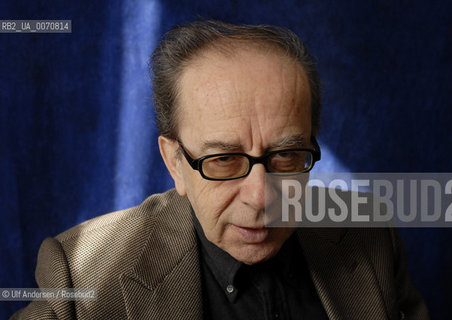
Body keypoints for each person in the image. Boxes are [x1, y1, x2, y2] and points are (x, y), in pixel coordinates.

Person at [11, 20, 429, 320]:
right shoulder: (81, 276)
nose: (261, 197)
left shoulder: (369, 233)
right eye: (224, 160)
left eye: (285, 156)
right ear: (175, 162)